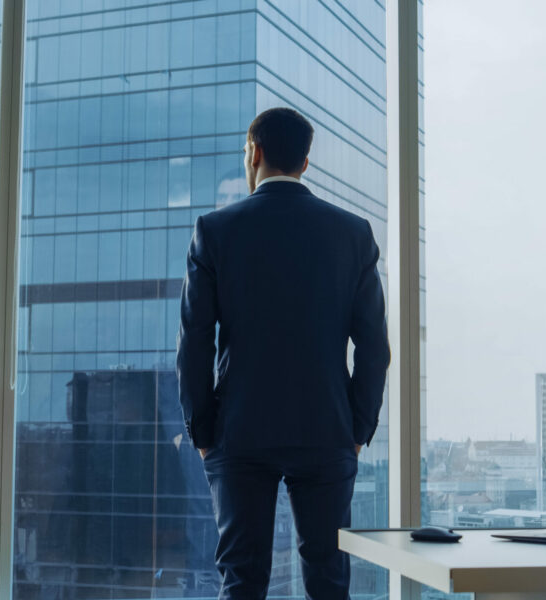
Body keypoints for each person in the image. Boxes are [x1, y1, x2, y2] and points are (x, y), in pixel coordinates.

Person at [176, 107, 391, 599]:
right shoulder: (353, 234)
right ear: (305, 163)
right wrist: (357, 428)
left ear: (255, 152)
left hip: (240, 430)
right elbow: (375, 348)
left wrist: (203, 431)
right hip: (326, 429)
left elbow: (194, 342)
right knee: (328, 579)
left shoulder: (214, 231)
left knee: (242, 579)